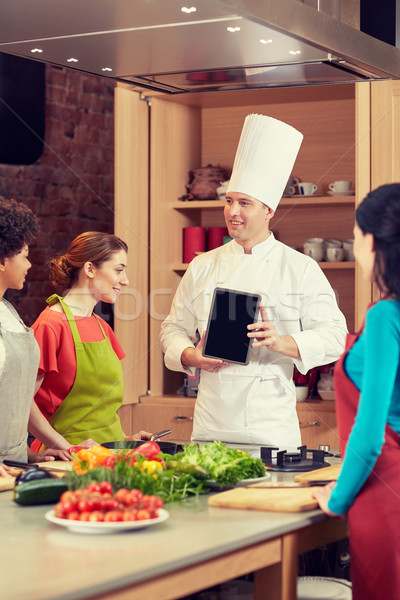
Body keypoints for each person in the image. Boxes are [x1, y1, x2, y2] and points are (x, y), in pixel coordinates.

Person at [160, 114, 347, 449]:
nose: (233, 211)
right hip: (211, 426)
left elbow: (335, 337)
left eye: (245, 203)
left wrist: (280, 341)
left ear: (268, 210)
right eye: (229, 201)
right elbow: (172, 328)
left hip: (272, 428)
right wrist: (191, 355)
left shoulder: (300, 268)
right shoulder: (202, 266)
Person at [313, 183, 400, 600]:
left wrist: (337, 497)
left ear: (371, 241)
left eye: (355, 236)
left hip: (383, 494)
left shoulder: (386, 316)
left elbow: (368, 437)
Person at [30, 231, 150, 450]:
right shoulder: (50, 325)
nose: (125, 281)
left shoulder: (102, 327)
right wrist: (67, 448)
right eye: (119, 270)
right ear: (90, 269)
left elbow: (98, 408)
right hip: (67, 461)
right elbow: (23, 404)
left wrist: (125, 438)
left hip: (110, 454)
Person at [0, 196, 70, 477]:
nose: (30, 264)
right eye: (24, 255)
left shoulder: (8, 311)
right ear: (2, 260)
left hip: (14, 468)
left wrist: (30, 455)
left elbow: (13, 396)